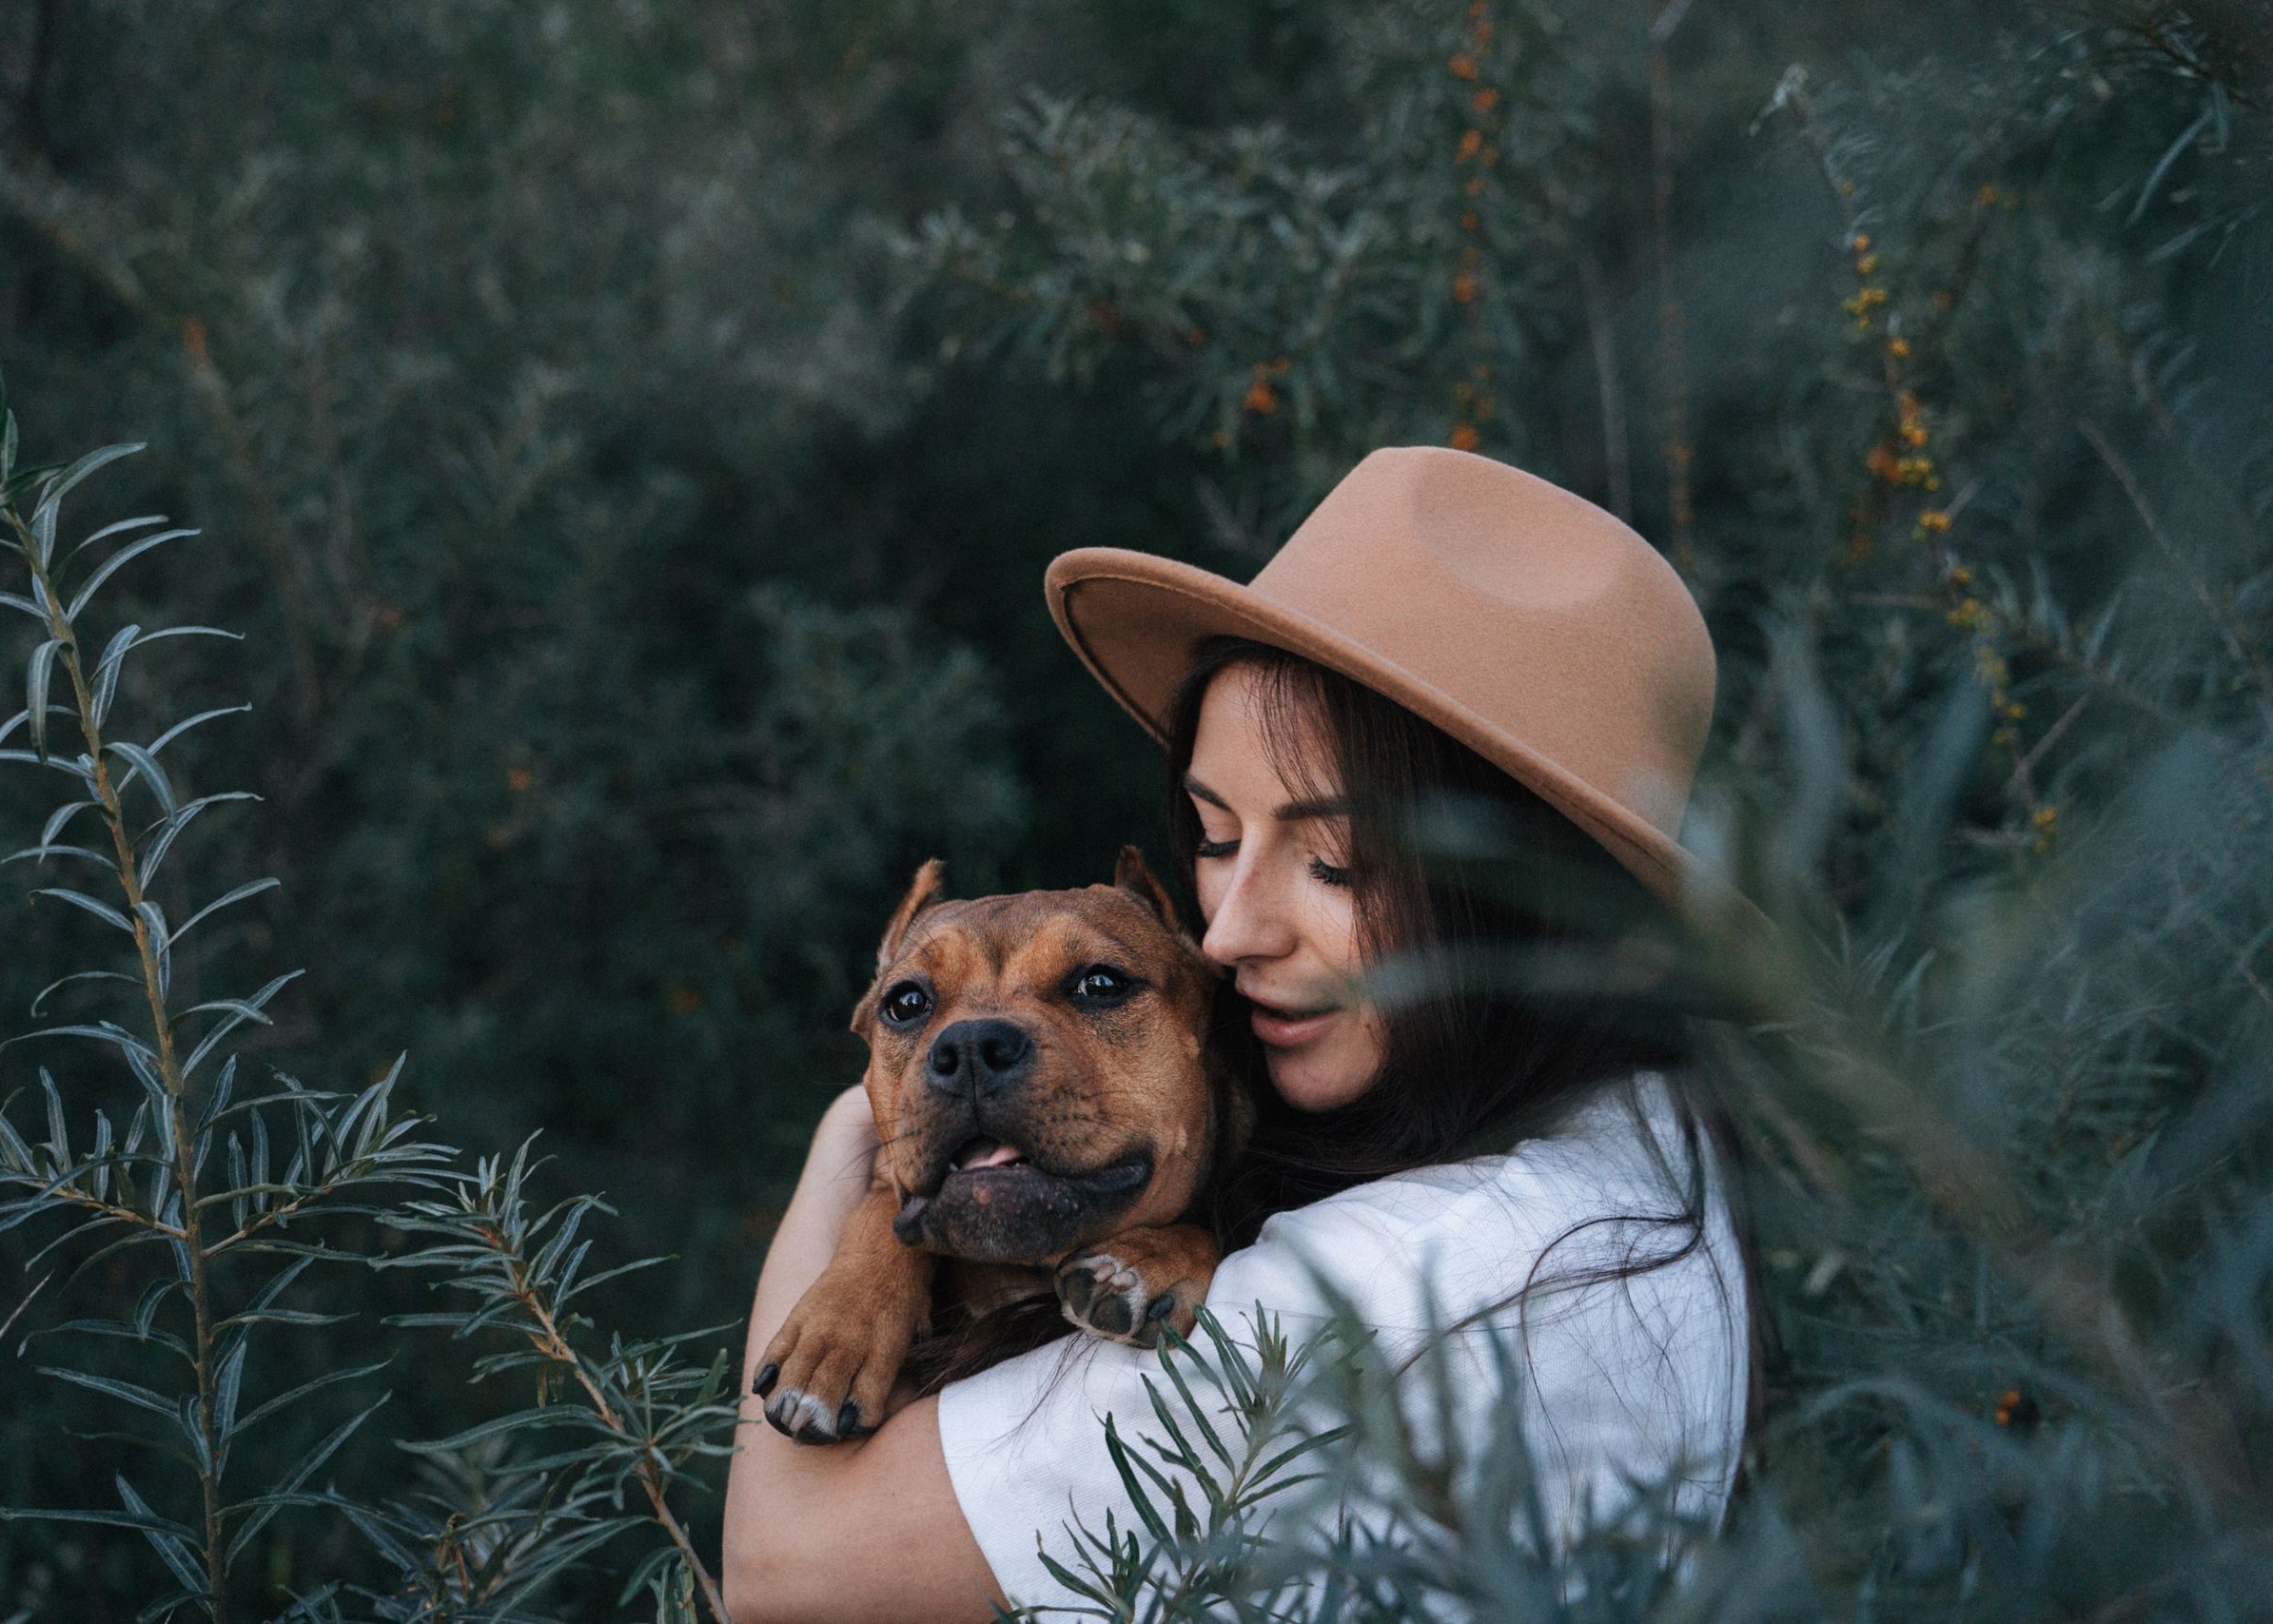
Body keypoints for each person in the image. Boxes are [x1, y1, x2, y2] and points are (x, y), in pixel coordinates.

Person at [720, 447, 1754, 1623]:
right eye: (1214, 838)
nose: (1223, 936)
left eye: (1336, 861)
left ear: (1540, 899)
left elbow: (784, 1575)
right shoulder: (1649, 1141)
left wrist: (851, 1157)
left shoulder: (1407, 1287)